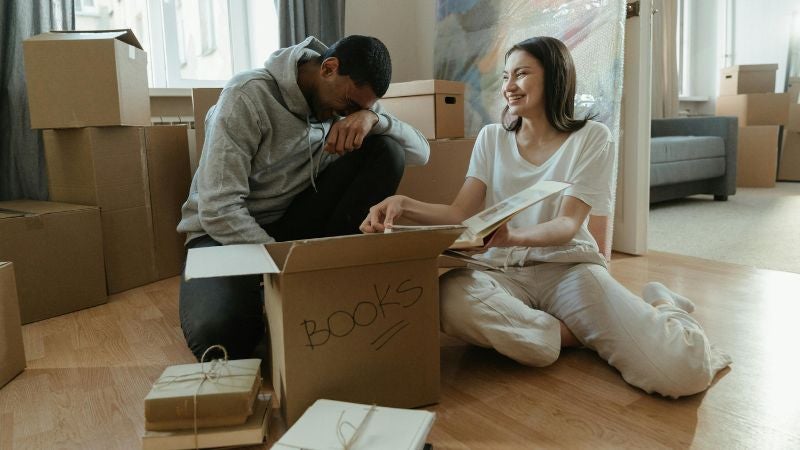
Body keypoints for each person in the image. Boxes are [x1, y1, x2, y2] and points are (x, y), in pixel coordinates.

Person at [360, 36, 731, 398]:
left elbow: (568, 225)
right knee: (449, 297)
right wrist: (403, 204)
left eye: (521, 74)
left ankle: (664, 306)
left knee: (681, 372)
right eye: (505, 76)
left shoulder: (591, 138)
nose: (509, 86)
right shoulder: (491, 138)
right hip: (500, 272)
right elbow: (458, 212)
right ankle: (573, 334)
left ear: (555, 77)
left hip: (568, 269)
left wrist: (512, 237)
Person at [177, 35, 429, 361]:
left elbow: (421, 152)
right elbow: (219, 209)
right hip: (222, 236)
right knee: (221, 340)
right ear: (329, 68)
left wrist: (373, 119)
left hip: (291, 221)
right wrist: (282, 267)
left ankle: (327, 275)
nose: (348, 114)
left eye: (360, 109)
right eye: (351, 105)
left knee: (388, 150)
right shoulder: (246, 96)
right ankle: (271, 292)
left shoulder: (351, 99)